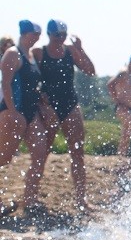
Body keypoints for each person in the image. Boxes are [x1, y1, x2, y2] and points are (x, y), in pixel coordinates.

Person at [24, 20, 96, 213]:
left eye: (64, 35)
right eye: (57, 35)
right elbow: (29, 79)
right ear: (49, 34)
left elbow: (90, 71)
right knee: (42, 154)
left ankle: (81, 199)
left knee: (78, 153)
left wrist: (80, 49)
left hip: (70, 105)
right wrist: (40, 99)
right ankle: (30, 198)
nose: (61, 38)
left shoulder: (70, 51)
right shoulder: (39, 53)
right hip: (49, 107)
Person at [0, 21, 44, 214]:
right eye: (36, 33)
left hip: (31, 113)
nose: (38, 37)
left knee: (40, 155)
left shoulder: (32, 55)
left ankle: (30, 200)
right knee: (4, 158)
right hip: (12, 112)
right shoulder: (13, 53)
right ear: (26, 34)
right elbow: (6, 84)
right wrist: (13, 112)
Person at [108, 53, 131, 161]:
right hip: (123, 108)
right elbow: (110, 84)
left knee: (126, 135)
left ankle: (120, 157)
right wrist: (117, 100)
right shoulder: (124, 72)